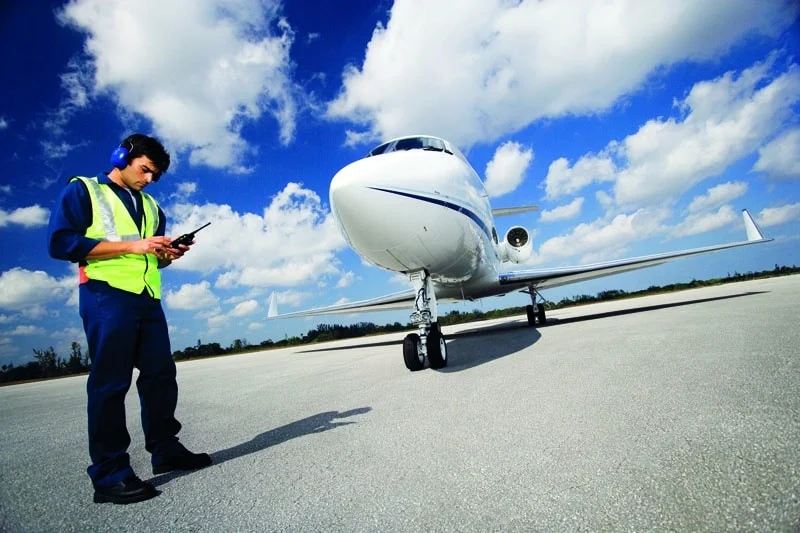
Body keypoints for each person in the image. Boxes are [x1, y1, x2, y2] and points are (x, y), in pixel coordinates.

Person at [47, 133, 211, 505]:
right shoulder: (84, 190)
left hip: (147, 298)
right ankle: (109, 474)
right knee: (110, 383)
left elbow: (154, 258)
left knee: (160, 375)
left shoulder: (152, 206)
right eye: (145, 169)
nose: (149, 179)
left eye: (155, 175)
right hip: (106, 294)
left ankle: (165, 449)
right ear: (122, 157)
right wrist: (135, 245)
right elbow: (60, 243)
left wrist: (168, 255)